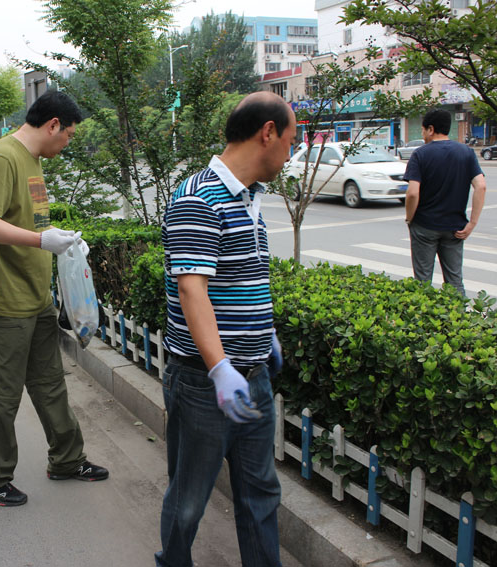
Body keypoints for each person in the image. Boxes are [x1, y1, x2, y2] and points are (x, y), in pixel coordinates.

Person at [157, 91, 296, 567]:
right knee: (189, 500)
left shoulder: (249, 197)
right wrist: (219, 369)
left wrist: (263, 333)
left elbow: (241, 278)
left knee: (261, 493)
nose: (290, 155)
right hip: (203, 383)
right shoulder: (197, 197)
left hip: (253, 376)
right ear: (268, 133)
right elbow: (192, 289)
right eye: (290, 142)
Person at [0, 90, 108, 508]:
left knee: (49, 384)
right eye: (69, 135)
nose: (68, 142)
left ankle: (67, 459)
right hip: (2, 301)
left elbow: (24, 220)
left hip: (35, 296)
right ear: (53, 125)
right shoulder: (2, 157)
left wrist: (55, 240)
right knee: (3, 394)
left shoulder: (32, 160)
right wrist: (40, 240)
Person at [403, 108, 487, 297]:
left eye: (423, 130)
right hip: (455, 228)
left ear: (431, 129)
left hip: (425, 226)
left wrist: (409, 218)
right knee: (455, 281)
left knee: (422, 281)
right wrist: (472, 223)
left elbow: (412, 193)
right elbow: (481, 186)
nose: (423, 135)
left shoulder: (420, 155)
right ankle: (459, 315)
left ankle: (425, 315)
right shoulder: (466, 152)